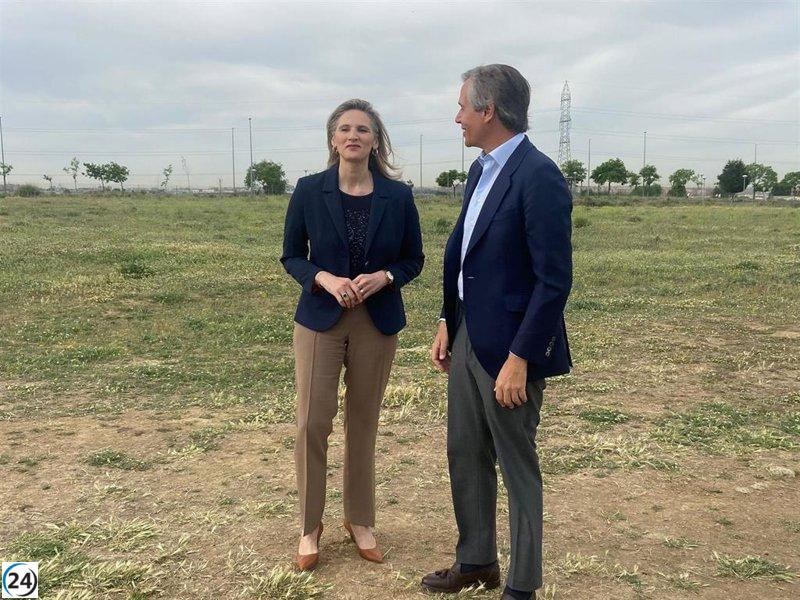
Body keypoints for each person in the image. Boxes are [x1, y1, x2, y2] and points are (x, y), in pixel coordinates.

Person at [422, 65, 573, 600]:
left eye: (463, 105)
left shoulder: (539, 176)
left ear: (489, 111)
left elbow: (554, 281)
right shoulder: (480, 172)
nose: (457, 116)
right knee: (464, 452)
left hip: (511, 352)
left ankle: (522, 585)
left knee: (516, 465)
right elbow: (467, 256)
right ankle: (477, 561)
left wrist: (521, 357)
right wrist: (447, 318)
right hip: (466, 337)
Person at [281, 99, 424, 571]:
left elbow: (413, 260)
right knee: (310, 423)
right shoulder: (307, 190)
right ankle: (309, 525)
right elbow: (292, 257)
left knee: (363, 422)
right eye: (344, 128)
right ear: (332, 139)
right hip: (320, 319)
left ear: (375, 140)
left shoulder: (398, 197)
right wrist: (323, 278)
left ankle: (360, 520)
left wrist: (384, 276)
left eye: (363, 128)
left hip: (376, 322)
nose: (353, 135)